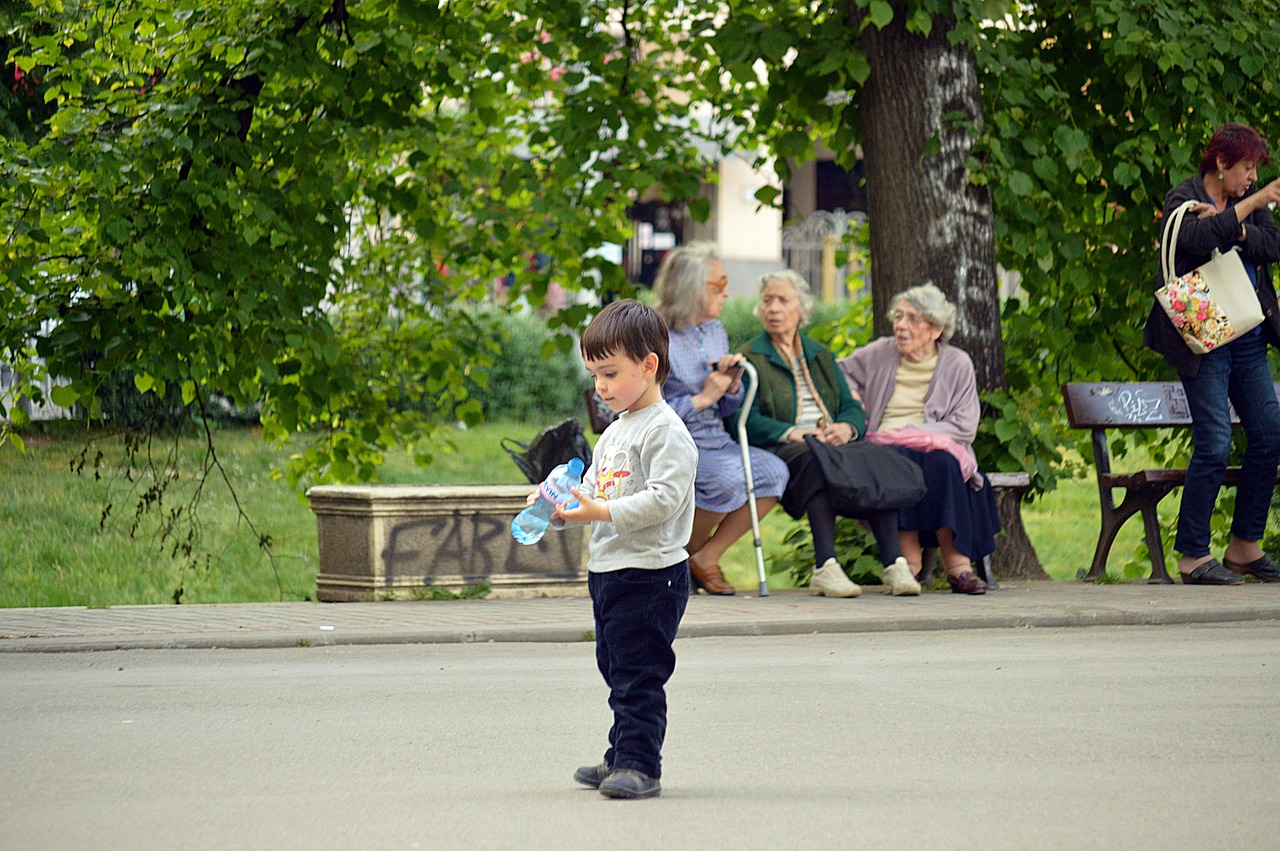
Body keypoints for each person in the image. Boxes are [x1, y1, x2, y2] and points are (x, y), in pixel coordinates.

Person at [549, 299, 697, 800]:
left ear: (649, 365)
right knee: (615, 668)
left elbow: (663, 500)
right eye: (594, 376)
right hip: (610, 569)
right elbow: (593, 487)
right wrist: (557, 502)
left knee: (639, 674)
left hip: (653, 574)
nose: (601, 387)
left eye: (610, 374)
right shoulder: (614, 429)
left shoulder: (666, 431)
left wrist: (600, 513)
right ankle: (618, 755)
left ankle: (640, 764)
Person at [1142, 122, 1280, 585]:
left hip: (1246, 333)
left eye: (1255, 172)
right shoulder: (1181, 200)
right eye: (1245, 169)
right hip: (1203, 337)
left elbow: (1272, 246)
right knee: (1216, 441)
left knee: (1269, 434)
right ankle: (1193, 556)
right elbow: (1195, 241)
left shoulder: (1245, 207)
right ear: (1221, 164)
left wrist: (1239, 229)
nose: (1252, 179)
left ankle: (1245, 546)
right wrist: (1248, 210)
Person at [739, 270, 921, 598]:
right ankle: (825, 565)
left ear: (801, 309)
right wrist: (792, 432)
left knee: (874, 460)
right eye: (767, 301)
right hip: (787, 447)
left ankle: (894, 563)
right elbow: (746, 420)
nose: (773, 309)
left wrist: (847, 428)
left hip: (830, 442)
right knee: (814, 461)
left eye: (783, 300)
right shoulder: (750, 357)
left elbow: (851, 406)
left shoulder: (819, 353)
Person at [839, 282, 1000, 596]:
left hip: (936, 445)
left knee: (941, 462)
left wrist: (914, 434)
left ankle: (957, 567)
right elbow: (837, 373)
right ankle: (907, 566)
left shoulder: (957, 363)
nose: (900, 325)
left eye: (912, 319)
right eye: (899, 317)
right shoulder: (879, 352)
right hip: (881, 443)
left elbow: (964, 426)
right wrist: (854, 399)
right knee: (897, 462)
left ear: (935, 329)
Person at [655, 242, 790, 596]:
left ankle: (703, 557)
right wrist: (702, 399)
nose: (727, 292)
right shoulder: (656, 336)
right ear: (693, 287)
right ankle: (671, 561)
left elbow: (729, 410)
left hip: (716, 440)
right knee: (729, 479)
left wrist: (730, 387)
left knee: (775, 472)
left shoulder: (714, 330)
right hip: (673, 443)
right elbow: (643, 411)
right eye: (719, 283)